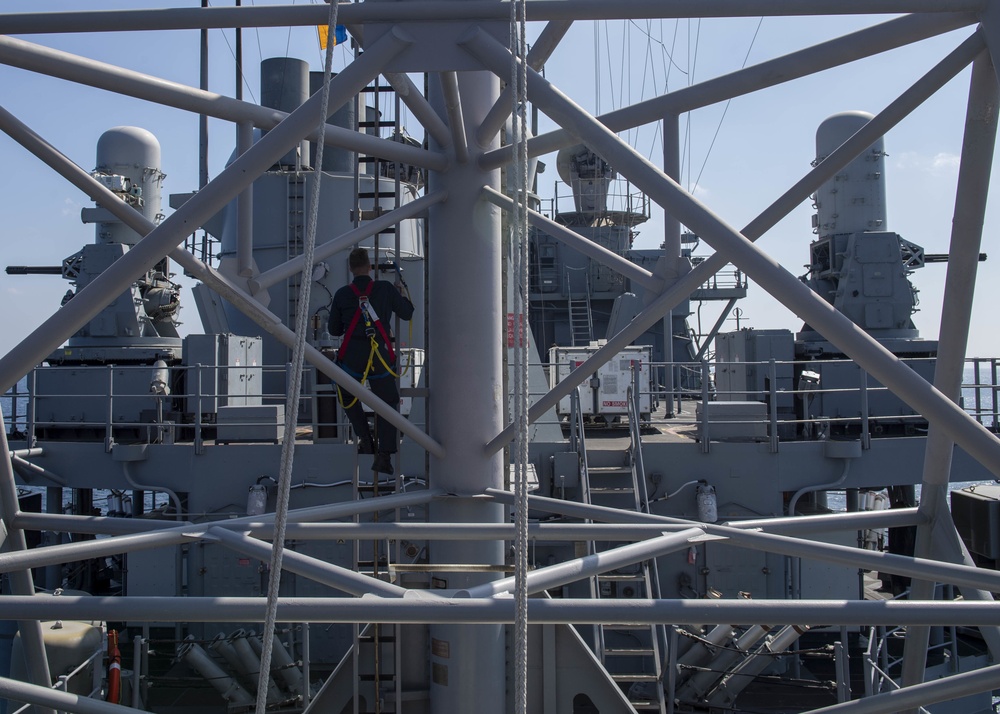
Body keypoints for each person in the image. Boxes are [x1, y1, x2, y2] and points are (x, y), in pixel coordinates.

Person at [328, 247, 414, 475]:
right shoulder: (385, 289)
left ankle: (365, 439)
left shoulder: (342, 294)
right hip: (379, 357)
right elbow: (407, 313)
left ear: (350, 269)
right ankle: (384, 456)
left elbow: (334, 329)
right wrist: (400, 294)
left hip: (352, 357)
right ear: (369, 267)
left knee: (346, 394)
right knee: (387, 403)